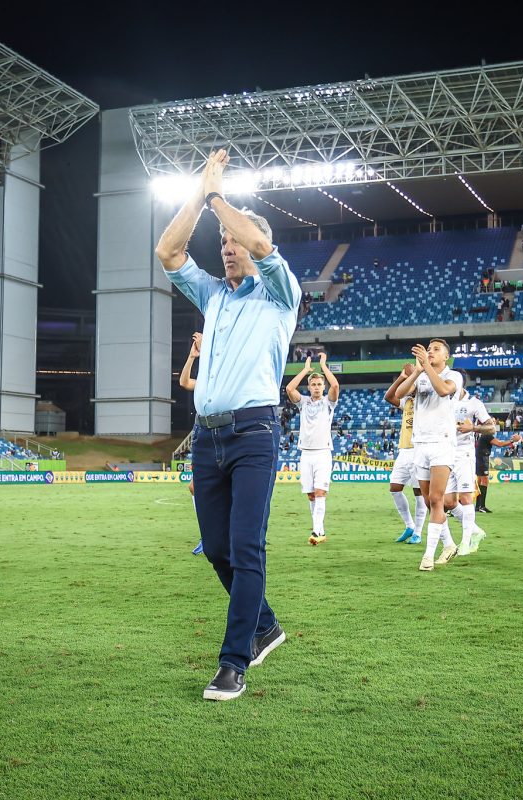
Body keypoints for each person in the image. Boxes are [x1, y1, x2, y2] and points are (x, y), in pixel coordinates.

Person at [156, 149, 298, 701]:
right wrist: (199, 194)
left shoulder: (280, 294)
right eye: (222, 243)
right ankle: (265, 624)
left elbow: (260, 243)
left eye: (233, 240)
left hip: (255, 433)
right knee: (216, 547)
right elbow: (168, 250)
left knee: (245, 548)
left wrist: (218, 198)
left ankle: (233, 661)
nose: (227, 248)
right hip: (207, 436)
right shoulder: (213, 295)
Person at [394, 339, 462, 571]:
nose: (430, 352)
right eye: (428, 349)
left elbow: (443, 390)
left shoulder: (454, 375)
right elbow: (400, 394)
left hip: (442, 443)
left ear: (446, 357)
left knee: (436, 499)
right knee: (428, 500)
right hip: (420, 444)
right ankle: (450, 544)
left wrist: (426, 366)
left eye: (435, 350)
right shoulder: (422, 375)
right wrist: (416, 372)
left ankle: (428, 556)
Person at [286, 353, 340, 545]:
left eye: (319, 384)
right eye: (313, 384)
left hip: (323, 453)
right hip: (306, 454)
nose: (317, 387)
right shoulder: (303, 403)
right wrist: (305, 370)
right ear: (309, 387)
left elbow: (335, 386)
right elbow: (289, 388)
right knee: (311, 494)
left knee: (320, 492)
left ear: (322, 387)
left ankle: (316, 532)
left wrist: (324, 366)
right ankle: (320, 529)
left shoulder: (328, 403)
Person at [445, 384, 495, 555]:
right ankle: (475, 530)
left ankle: (465, 543)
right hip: (445, 454)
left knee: (466, 498)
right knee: (448, 502)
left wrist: (472, 428)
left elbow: (491, 427)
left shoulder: (474, 403)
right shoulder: (443, 399)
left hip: (464, 455)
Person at [385, 364, 428, 544]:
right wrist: (402, 377)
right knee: (395, 488)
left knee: (419, 492)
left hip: (419, 449)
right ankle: (409, 525)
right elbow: (388, 396)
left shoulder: (425, 400)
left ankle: (418, 532)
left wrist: (416, 374)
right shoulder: (407, 401)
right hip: (404, 450)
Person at [180, 332, 206, 556]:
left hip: (221, 432)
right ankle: (207, 535)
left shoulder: (224, 376)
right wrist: (192, 356)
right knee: (193, 486)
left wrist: (206, 349)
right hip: (201, 433)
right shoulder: (204, 381)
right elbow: (184, 382)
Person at [474, 429, 518, 513]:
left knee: (480, 481)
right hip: (483, 459)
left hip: (480, 458)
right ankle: (481, 506)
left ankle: (478, 506)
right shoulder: (487, 435)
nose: (494, 427)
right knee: (484, 481)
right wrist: (512, 440)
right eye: (493, 424)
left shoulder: (484, 435)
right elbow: (499, 444)